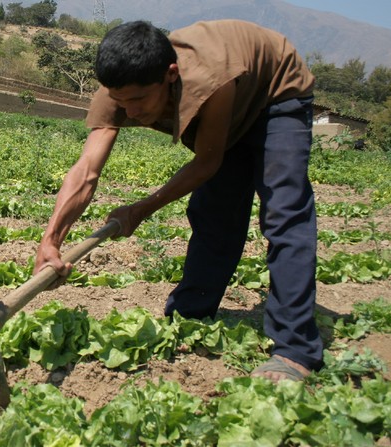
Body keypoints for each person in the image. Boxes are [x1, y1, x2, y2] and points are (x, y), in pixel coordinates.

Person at [33, 19, 323, 382]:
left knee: (284, 211)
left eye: (138, 100)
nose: (131, 112)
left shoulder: (208, 80)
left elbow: (207, 162)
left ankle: (295, 349)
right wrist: (52, 239)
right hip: (228, 101)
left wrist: (140, 209)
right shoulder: (119, 89)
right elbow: (87, 169)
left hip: (275, 89)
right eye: (122, 102)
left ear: (171, 75)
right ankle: (191, 314)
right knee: (214, 212)